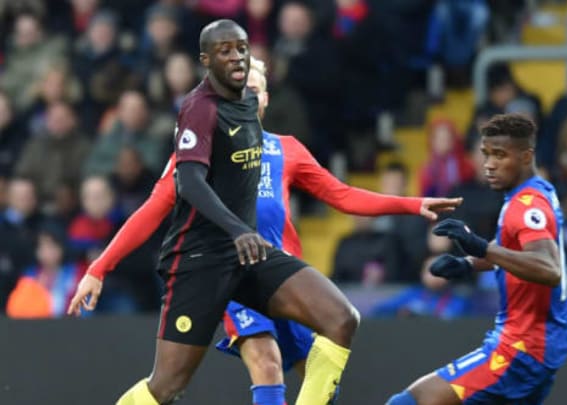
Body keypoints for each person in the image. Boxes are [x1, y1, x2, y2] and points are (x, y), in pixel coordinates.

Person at [68, 33, 461, 405]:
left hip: (277, 276)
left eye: (255, 90)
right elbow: (151, 211)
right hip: (227, 273)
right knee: (267, 364)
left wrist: (412, 204)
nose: (247, 95)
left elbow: (342, 196)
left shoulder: (286, 150)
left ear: (266, 99)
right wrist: (99, 268)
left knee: (320, 371)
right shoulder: (201, 148)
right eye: (241, 89)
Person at [387, 113, 567, 404]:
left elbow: (549, 269)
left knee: (410, 402)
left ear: (526, 156)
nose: (489, 165)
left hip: (519, 350)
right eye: (486, 154)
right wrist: (468, 263)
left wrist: (479, 248)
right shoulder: (537, 192)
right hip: (539, 349)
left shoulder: (525, 205)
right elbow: (517, 247)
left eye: (500, 155)